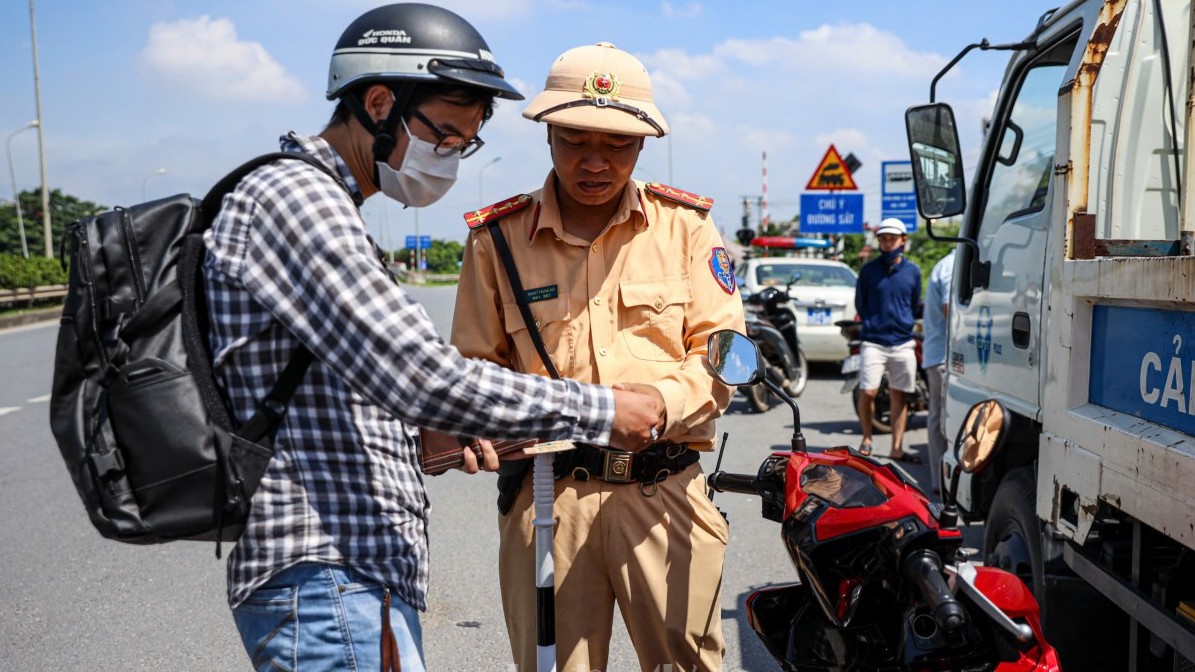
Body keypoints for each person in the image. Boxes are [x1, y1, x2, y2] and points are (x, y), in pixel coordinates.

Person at [203, 8, 660, 671]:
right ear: (379, 102)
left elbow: (351, 390)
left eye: (462, 145)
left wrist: (431, 437)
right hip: (326, 568)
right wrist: (604, 410)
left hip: (351, 570)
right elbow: (423, 376)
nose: (447, 158)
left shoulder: (327, 202)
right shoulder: (298, 199)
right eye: (443, 136)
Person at [451, 42, 746, 672]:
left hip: (664, 488)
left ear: (641, 147)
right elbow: (474, 370)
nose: (594, 161)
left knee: (685, 666)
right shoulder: (496, 241)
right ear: (549, 136)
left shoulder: (687, 228)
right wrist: (476, 426)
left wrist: (663, 404)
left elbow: (726, 352)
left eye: (615, 144)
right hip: (549, 496)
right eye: (575, 140)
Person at [854, 218, 923, 461]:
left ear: (903, 240)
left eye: (892, 238)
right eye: (883, 238)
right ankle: (867, 438)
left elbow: (914, 304)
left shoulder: (913, 272)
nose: (887, 243)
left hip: (903, 341)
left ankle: (897, 447)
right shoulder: (869, 271)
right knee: (869, 391)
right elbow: (860, 304)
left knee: (899, 395)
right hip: (873, 340)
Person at [923, 247, 956, 495]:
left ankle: (938, 481)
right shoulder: (954, 265)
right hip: (945, 356)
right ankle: (945, 482)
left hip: (937, 354)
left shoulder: (946, 262)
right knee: (946, 420)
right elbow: (949, 309)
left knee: (937, 416)